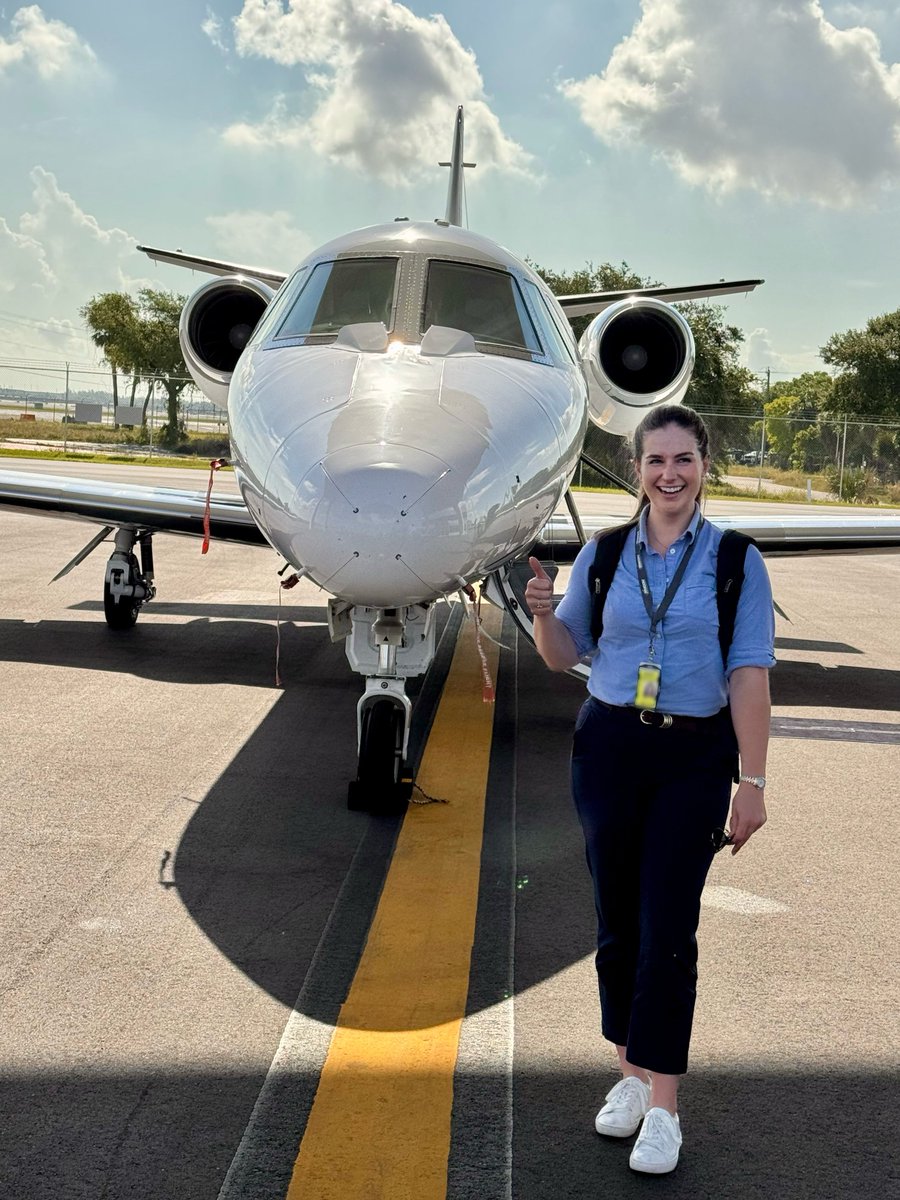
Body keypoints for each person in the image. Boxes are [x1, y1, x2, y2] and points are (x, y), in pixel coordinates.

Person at [524, 405, 775, 1175]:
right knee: (617, 920)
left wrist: (754, 781)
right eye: (656, 460)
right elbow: (563, 654)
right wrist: (542, 614)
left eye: (684, 459)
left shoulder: (736, 561)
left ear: (704, 466)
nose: (670, 474)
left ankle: (664, 1108)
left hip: (694, 756)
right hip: (608, 747)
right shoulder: (604, 554)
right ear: (636, 469)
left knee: (667, 925)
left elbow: (749, 674)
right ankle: (630, 1072)